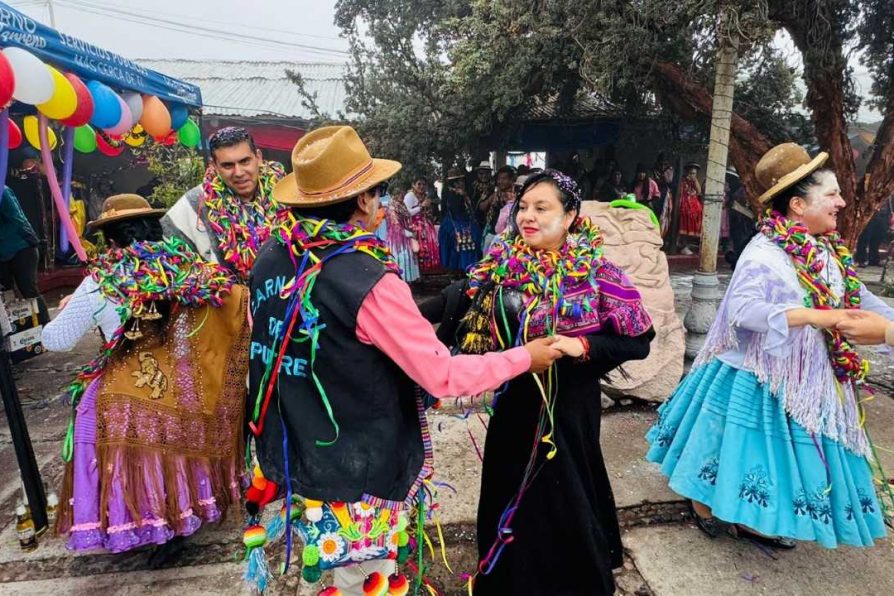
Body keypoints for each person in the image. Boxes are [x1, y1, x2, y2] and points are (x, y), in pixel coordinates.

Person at [246, 126, 563, 595]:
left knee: (336, 566)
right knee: (364, 578)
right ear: (363, 200)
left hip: (296, 448)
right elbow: (441, 374)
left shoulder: (273, 256)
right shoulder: (365, 277)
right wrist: (523, 357)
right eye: (378, 192)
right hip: (356, 466)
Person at [646, 143, 893, 551]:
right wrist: (818, 317)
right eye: (832, 194)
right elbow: (744, 311)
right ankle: (706, 501)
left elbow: (857, 298)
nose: (842, 202)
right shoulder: (765, 252)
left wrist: (889, 328)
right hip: (755, 372)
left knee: (772, 457)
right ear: (798, 205)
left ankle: (753, 516)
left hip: (807, 376)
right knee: (738, 447)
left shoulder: (827, 249)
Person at [421, 169, 654, 594]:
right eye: (523, 207)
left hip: (570, 410)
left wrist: (581, 346)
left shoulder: (599, 273)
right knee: (511, 493)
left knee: (566, 495)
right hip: (515, 403)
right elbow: (453, 300)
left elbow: (639, 341)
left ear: (570, 217)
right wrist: (393, 314)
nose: (527, 216)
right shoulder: (501, 265)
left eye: (541, 208)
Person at [44, 194, 248, 561]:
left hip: (125, 392)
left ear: (110, 239)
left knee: (90, 417)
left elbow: (57, 340)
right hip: (185, 387)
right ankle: (185, 512)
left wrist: (68, 309)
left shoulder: (100, 282)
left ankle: (141, 522)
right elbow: (234, 299)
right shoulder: (188, 269)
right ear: (155, 230)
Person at [161, 127, 286, 282]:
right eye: (228, 165)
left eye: (245, 161)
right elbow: (172, 261)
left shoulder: (286, 193)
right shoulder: (195, 203)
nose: (239, 172)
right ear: (214, 166)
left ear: (258, 158)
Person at [0, 188, 49, 325]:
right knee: (6, 294)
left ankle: (46, 326)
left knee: (28, 289)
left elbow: (17, 221)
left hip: (22, 247)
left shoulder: (3, 191)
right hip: (3, 253)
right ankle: (15, 330)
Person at [439, 168, 482, 271]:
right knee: (456, 244)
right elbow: (455, 210)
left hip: (467, 222)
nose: (461, 183)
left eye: (462, 180)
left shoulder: (465, 194)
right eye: (458, 181)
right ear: (453, 183)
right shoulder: (451, 194)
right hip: (455, 223)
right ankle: (458, 268)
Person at [382, 188, 421, 283]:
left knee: (407, 257)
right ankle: (400, 280)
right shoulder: (392, 208)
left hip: (405, 236)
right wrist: (409, 233)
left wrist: (411, 229)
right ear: (394, 195)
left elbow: (407, 218)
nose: (401, 196)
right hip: (396, 238)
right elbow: (395, 225)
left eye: (402, 194)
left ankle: (408, 280)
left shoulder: (402, 205)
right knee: (401, 257)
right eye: (399, 194)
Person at [404, 177, 440, 272]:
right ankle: (418, 271)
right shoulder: (409, 196)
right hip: (415, 227)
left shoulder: (425, 196)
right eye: (419, 184)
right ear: (413, 185)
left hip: (426, 225)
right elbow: (407, 213)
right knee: (418, 249)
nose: (421, 186)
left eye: (423, 184)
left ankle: (427, 270)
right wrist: (421, 206)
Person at [478, 165, 517, 249]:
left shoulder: (516, 195)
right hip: (492, 233)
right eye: (499, 179)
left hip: (509, 236)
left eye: (504, 179)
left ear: (511, 180)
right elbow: (481, 207)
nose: (500, 181)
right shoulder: (493, 192)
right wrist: (491, 198)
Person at [855, 196, 892, 267]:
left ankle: (874, 259)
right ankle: (860, 259)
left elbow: (888, 200)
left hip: (882, 215)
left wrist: (890, 213)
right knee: (864, 237)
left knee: (877, 238)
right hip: (869, 214)